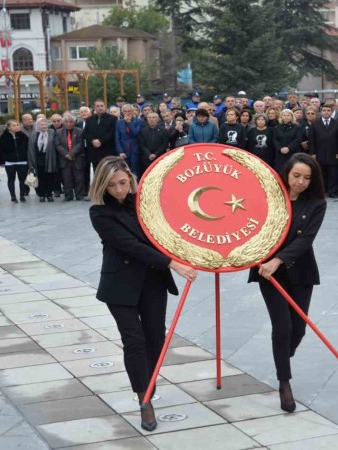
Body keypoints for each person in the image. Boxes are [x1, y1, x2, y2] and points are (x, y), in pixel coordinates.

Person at [88, 156, 196, 432]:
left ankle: (148, 386)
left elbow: (172, 227)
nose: (119, 190)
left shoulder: (144, 203)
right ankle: (144, 400)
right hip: (120, 285)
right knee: (134, 341)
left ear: (131, 180)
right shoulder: (99, 213)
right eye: (112, 185)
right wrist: (173, 263)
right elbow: (130, 245)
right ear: (102, 185)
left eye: (123, 183)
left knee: (155, 340)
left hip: (152, 280)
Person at [248, 153, 327, 413]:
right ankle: (285, 381)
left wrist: (280, 259)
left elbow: (306, 241)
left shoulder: (316, 203)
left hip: (300, 270)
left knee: (298, 329)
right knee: (281, 326)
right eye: (296, 176)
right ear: (286, 173)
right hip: (268, 272)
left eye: (306, 178)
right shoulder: (269, 197)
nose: (300, 182)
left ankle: (282, 356)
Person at [307, 104, 338, 197]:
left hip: (333, 152)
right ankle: (321, 191)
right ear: (321, 112)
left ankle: (332, 191)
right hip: (319, 153)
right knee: (321, 173)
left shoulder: (337, 123)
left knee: (332, 173)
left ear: (331, 112)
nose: (326, 112)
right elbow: (311, 140)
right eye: (324, 110)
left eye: (328, 110)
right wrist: (312, 153)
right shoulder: (315, 124)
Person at [0, 119, 30, 203]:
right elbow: (0, 150)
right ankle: (13, 196)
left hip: (22, 162)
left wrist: (28, 159)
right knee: (11, 179)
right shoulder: (4, 137)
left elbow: (28, 148)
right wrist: (1, 161)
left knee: (22, 179)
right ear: (8, 127)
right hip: (10, 162)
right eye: (13, 125)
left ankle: (22, 195)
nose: (16, 127)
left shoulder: (23, 136)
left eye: (17, 125)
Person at [55, 115, 87, 201]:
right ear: (63, 123)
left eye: (71, 122)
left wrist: (71, 154)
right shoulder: (58, 132)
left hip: (77, 158)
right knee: (66, 178)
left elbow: (80, 144)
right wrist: (66, 154)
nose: (68, 124)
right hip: (64, 159)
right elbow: (57, 145)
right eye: (66, 122)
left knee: (79, 178)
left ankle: (80, 195)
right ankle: (68, 195)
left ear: (74, 122)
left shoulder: (80, 131)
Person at [84, 99, 118, 176]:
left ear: (105, 107)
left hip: (107, 151)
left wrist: (101, 141)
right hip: (94, 151)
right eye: (97, 106)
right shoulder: (89, 119)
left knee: (109, 174)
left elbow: (112, 133)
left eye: (101, 106)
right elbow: (86, 133)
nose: (100, 108)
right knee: (97, 174)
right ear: (94, 108)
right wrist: (92, 140)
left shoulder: (112, 119)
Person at [28, 118, 58, 203]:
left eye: (45, 124)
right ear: (38, 125)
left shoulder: (52, 132)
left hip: (49, 158)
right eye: (42, 124)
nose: (44, 126)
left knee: (49, 176)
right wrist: (31, 161)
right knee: (40, 177)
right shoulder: (34, 134)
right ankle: (41, 194)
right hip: (38, 159)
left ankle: (49, 194)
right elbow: (30, 148)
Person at [116, 104, 144, 177]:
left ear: (132, 112)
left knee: (135, 171)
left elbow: (135, 133)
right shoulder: (119, 122)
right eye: (125, 111)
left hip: (135, 149)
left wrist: (129, 123)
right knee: (124, 171)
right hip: (124, 149)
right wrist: (120, 151)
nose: (127, 113)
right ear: (122, 112)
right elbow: (117, 137)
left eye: (129, 111)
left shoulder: (138, 121)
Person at [273, 109, 303, 173]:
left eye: (288, 115)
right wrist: (280, 148)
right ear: (281, 117)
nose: (286, 117)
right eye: (284, 115)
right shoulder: (276, 128)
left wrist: (289, 148)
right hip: (280, 154)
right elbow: (274, 139)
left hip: (293, 153)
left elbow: (298, 139)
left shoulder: (297, 127)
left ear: (292, 117)